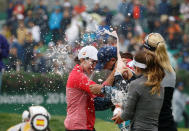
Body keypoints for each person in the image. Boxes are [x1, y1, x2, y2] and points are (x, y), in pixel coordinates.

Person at [112, 51, 165, 131]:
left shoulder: (135, 84)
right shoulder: (160, 86)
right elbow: (143, 106)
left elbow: (127, 114)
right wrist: (122, 105)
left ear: (138, 67)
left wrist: (120, 116)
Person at [143, 33, 177, 131]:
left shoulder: (148, 71)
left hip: (151, 125)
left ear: (147, 49)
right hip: (168, 124)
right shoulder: (171, 70)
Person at [64, 46, 99, 131]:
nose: (94, 66)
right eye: (93, 62)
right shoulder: (79, 76)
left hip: (79, 126)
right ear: (83, 60)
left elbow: (96, 101)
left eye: (96, 63)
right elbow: (100, 91)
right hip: (79, 127)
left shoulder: (79, 74)